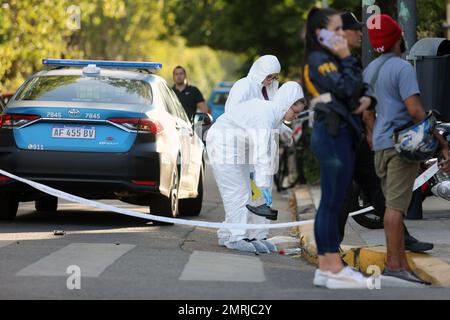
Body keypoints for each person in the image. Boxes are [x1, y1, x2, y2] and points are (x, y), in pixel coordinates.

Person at [364, 14, 450, 285]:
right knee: (396, 208)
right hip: (400, 146)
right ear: (396, 39)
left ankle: (399, 262)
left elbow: (366, 113)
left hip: (379, 145)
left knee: (393, 204)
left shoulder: (370, 70)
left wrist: (374, 137)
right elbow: (415, 110)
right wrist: (440, 140)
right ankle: (394, 265)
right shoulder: (402, 69)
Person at [338, 12, 433, 253]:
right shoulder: (332, 61)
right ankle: (332, 248)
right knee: (344, 195)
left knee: (380, 194)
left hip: (364, 140)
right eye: (355, 29)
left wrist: (370, 134)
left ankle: (404, 240)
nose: (361, 34)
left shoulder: (360, 64)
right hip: (343, 140)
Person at [303, 7, 370, 289]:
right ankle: (331, 267)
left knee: (332, 201)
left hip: (337, 132)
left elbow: (355, 92)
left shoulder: (326, 59)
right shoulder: (321, 59)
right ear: (321, 34)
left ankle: (327, 268)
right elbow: (348, 89)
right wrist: (345, 58)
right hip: (332, 133)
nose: (342, 35)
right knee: (331, 202)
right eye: (336, 29)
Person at [206, 82, 306, 253]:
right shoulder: (266, 116)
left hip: (234, 147)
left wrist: (284, 129)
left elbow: (270, 129)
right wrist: (263, 183)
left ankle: (226, 234)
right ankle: (236, 238)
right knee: (237, 192)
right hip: (223, 145)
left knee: (243, 190)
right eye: (295, 111)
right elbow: (261, 152)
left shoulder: (273, 112)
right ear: (287, 104)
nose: (296, 116)